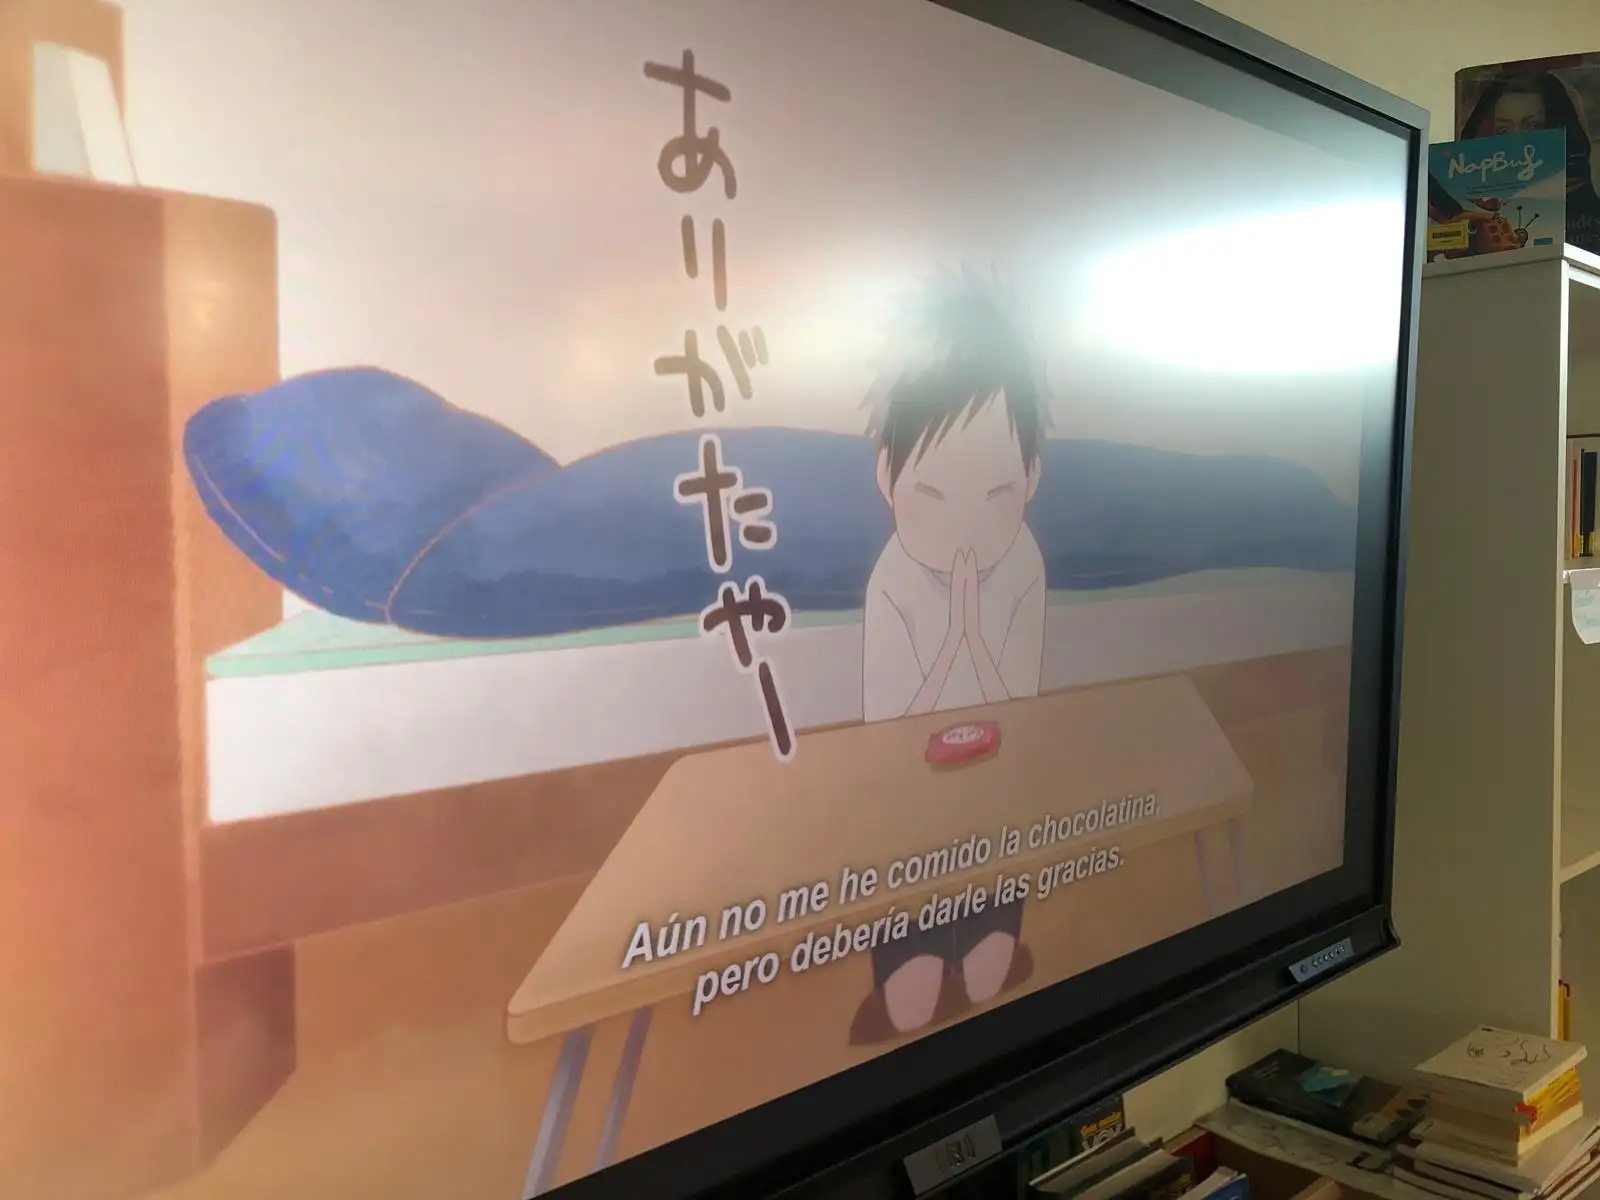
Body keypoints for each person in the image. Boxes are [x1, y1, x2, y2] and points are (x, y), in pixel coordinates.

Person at [858, 264, 1050, 1034]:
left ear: (1030, 478)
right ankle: (907, 952)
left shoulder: (1025, 562)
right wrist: (952, 645)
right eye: (932, 496)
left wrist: (975, 635)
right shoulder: (892, 578)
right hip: (906, 815)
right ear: (887, 476)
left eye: (996, 495)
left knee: (989, 976)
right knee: (908, 1008)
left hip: (996, 802)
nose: (963, 530)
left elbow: (1020, 712)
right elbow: (890, 735)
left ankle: (987, 930)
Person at [1459, 72, 1600, 253]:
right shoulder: (1475, 202)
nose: (1518, 141)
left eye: (1533, 126)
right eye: (1503, 130)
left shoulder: (1584, 210)